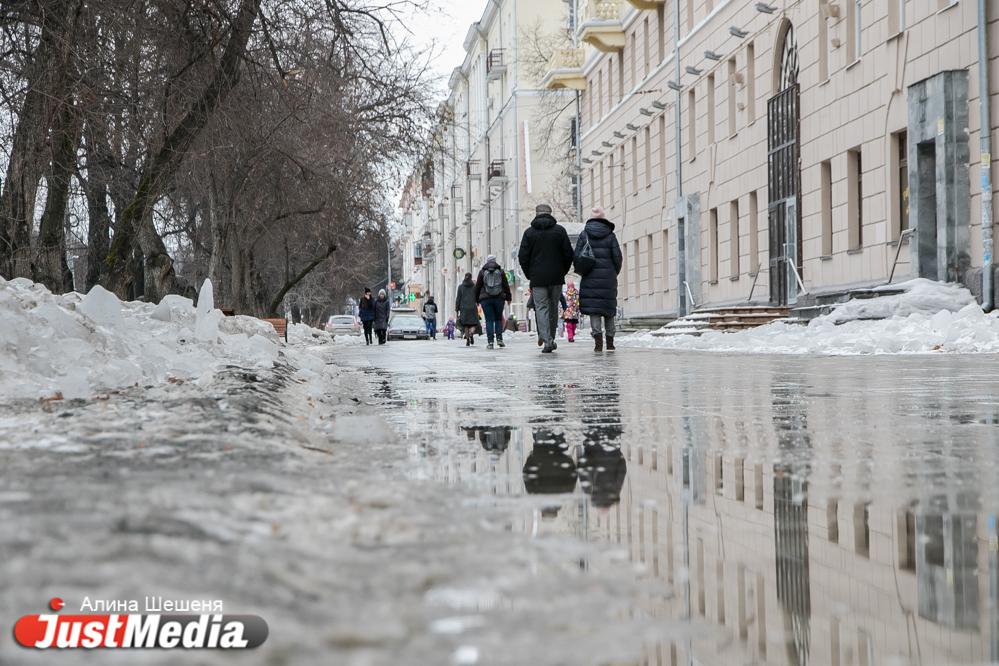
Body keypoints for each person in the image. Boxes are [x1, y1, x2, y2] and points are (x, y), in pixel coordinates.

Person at [518, 204, 574, 354]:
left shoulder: (529, 233)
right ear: (550, 213)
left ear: (536, 214)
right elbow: (568, 254)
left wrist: (530, 274)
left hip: (537, 278)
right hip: (556, 277)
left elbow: (522, 257)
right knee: (553, 307)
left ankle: (547, 340)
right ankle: (551, 338)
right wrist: (562, 271)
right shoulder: (559, 231)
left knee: (541, 308)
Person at [576, 207, 623, 351]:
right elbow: (618, 258)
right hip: (608, 278)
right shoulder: (610, 235)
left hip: (589, 277)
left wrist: (583, 271)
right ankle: (610, 341)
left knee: (594, 310)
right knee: (608, 310)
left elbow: (577, 257)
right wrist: (613, 273)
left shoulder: (584, 234)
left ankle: (598, 342)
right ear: (603, 219)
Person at [474, 254, 512, 349]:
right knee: (498, 319)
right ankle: (499, 339)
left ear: (487, 261)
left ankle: (490, 342)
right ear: (495, 261)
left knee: (489, 320)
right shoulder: (500, 271)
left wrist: (476, 300)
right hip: (499, 298)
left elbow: (477, 287)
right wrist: (508, 298)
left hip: (485, 299)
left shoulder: (482, 272)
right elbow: (505, 285)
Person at [455, 272, 480, 346]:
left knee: (465, 325)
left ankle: (467, 339)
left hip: (463, 308)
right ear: (471, 278)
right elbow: (477, 296)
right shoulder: (474, 286)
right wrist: (478, 302)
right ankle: (471, 333)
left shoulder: (460, 287)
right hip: (472, 308)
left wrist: (457, 308)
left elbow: (458, 298)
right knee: (474, 323)